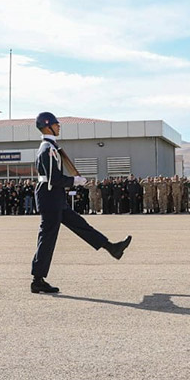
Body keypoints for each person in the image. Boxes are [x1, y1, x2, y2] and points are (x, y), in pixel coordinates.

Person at [30, 112, 131, 294]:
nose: (59, 126)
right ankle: (37, 279)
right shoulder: (48, 148)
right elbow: (53, 178)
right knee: (48, 237)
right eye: (56, 124)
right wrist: (74, 181)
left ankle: (111, 248)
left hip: (54, 197)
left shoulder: (51, 147)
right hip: (50, 196)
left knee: (81, 225)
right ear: (47, 126)